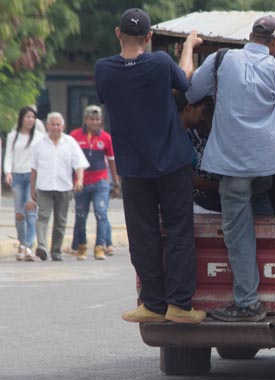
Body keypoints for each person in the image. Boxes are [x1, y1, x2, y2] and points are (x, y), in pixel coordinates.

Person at [94, 8, 205, 324]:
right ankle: (180, 305)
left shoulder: (103, 69)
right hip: (172, 163)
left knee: (143, 235)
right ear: (149, 36)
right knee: (179, 232)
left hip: (133, 168)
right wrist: (187, 48)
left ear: (118, 33)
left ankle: (153, 304)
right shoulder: (159, 62)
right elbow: (185, 81)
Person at [186, 15, 275, 322]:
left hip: (232, 159)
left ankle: (248, 301)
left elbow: (193, 93)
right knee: (262, 205)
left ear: (250, 35)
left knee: (238, 232)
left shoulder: (221, 58)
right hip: (267, 160)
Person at [31, 112, 89, 261]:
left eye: (58, 124)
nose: (56, 127)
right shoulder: (39, 143)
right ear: (47, 126)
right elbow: (33, 168)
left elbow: (79, 164)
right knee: (42, 217)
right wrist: (32, 188)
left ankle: (56, 251)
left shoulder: (70, 142)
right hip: (44, 186)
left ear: (63, 126)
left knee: (60, 221)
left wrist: (79, 180)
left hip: (64, 187)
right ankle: (42, 246)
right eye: (53, 124)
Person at [68, 105, 120, 260]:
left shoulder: (106, 138)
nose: (94, 122)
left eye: (97, 119)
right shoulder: (74, 136)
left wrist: (115, 183)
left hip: (101, 181)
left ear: (101, 120)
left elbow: (111, 161)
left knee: (101, 212)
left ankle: (100, 246)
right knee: (81, 215)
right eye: (91, 119)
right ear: (85, 119)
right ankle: (82, 246)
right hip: (81, 182)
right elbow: (70, 160)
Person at [3, 106, 44, 261]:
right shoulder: (13, 136)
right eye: (28, 117)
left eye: (33, 117)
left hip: (32, 176)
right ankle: (22, 243)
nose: (30, 120)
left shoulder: (39, 137)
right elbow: (8, 156)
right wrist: (8, 172)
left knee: (30, 209)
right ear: (21, 119)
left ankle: (28, 245)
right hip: (17, 176)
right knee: (19, 213)